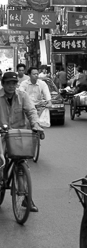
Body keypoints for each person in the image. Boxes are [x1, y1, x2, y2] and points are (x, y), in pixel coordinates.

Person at [0, 71, 44, 211]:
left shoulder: (22, 95)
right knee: (1, 163)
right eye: (8, 83)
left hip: (18, 134)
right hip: (1, 135)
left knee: (22, 164)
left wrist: (36, 125)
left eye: (14, 83)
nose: (11, 86)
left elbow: (31, 111)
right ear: (3, 84)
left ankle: (26, 198)